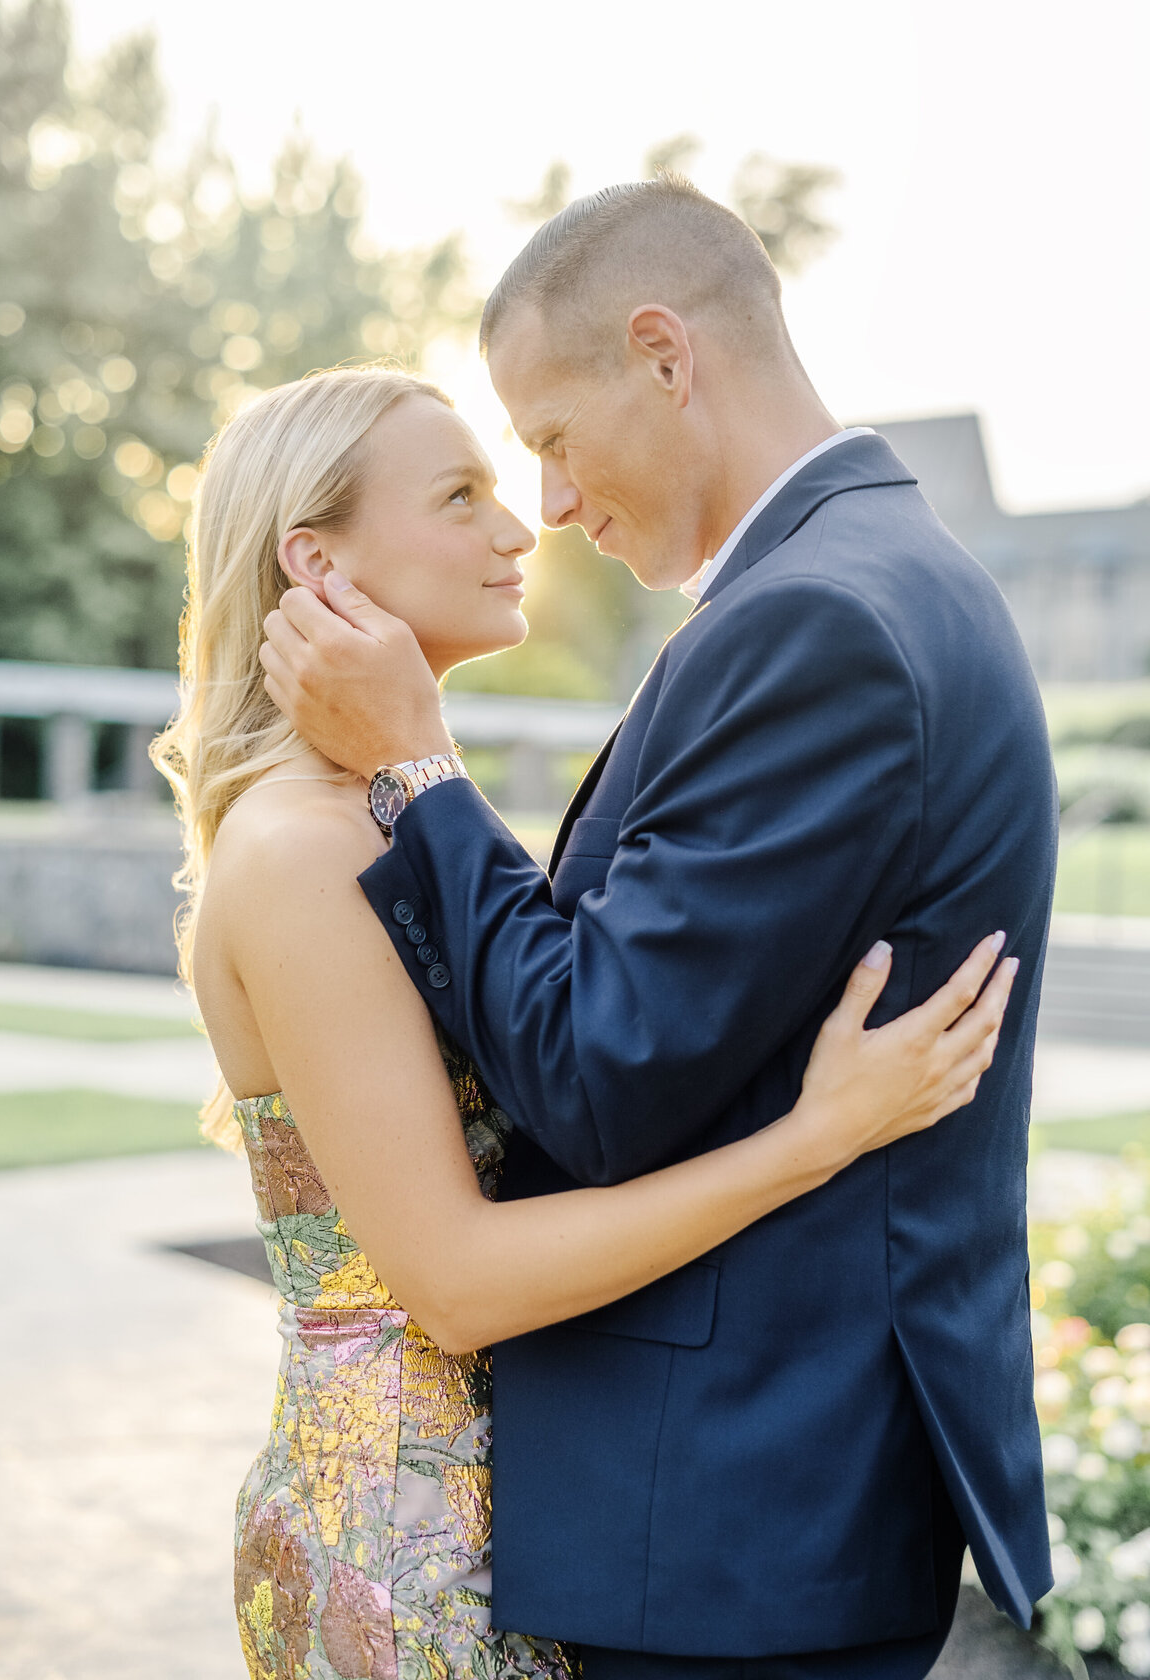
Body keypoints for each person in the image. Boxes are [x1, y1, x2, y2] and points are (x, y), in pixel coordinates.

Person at [259, 178, 1060, 1680]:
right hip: (764, 1509)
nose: (548, 506)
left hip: (731, 1514)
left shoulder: (816, 619)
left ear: (664, 353)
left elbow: (599, 1075)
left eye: (551, 442)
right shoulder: (864, 579)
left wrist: (418, 771)